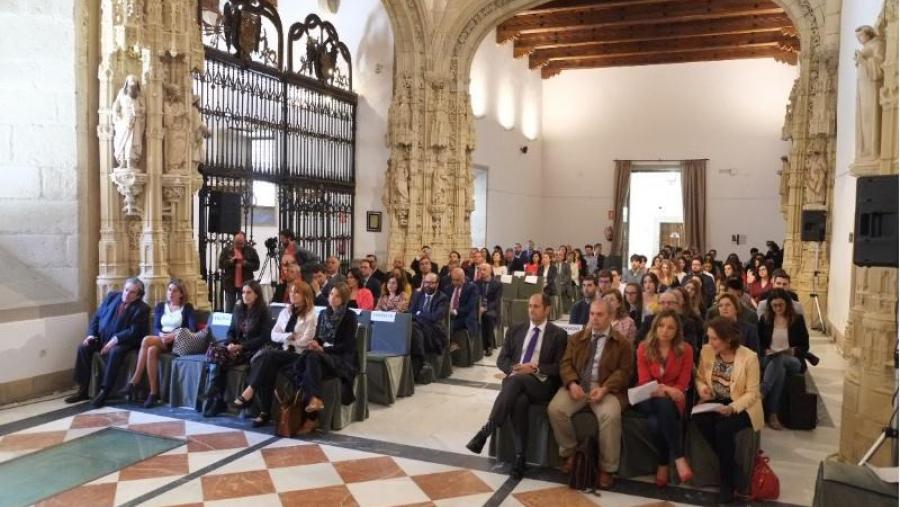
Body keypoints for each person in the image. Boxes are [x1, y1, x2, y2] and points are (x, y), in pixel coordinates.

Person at [466, 293, 567, 478]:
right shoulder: (515, 329)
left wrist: (535, 368)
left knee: (517, 381)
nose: (531, 310)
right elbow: (502, 359)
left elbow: (560, 367)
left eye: (536, 306)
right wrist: (514, 369)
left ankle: (487, 429)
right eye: (529, 306)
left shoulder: (558, 334)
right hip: (516, 381)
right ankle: (520, 458)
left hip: (542, 383)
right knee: (519, 401)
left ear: (547, 309)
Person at [548, 299, 634, 489]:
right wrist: (571, 383)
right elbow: (566, 364)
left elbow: (624, 372)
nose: (594, 318)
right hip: (579, 384)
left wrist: (605, 388)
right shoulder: (577, 338)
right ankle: (570, 452)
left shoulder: (622, 343)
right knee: (555, 409)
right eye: (592, 314)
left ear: (610, 317)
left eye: (600, 314)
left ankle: (607, 467)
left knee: (610, 416)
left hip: (605, 387)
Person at [694, 317, 764, 503]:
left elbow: (753, 393)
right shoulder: (707, 352)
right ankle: (734, 470)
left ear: (728, 339)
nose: (710, 343)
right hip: (717, 400)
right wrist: (702, 388)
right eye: (709, 338)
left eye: (715, 339)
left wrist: (732, 408)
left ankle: (727, 483)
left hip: (742, 405)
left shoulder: (749, 357)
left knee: (723, 430)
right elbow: (700, 377)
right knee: (699, 419)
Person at [235, 280, 317, 427]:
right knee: (266, 366)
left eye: (296, 292)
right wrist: (289, 336)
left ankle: (250, 391)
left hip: (300, 355)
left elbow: (306, 340)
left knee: (268, 356)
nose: (292, 295)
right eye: (291, 292)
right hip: (284, 352)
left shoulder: (311, 314)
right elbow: (274, 335)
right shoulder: (286, 311)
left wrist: (289, 338)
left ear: (305, 295)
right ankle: (265, 412)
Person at [66, 277, 151, 407]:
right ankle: (83, 389)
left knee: (115, 352)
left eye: (132, 292)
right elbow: (96, 318)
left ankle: (104, 391)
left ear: (139, 296)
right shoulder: (112, 297)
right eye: (126, 290)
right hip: (102, 337)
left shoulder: (142, 308)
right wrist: (91, 335)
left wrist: (114, 341)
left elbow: (134, 331)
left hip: (125, 342)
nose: (127, 294)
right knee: (83, 348)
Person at [633, 310, 695, 487]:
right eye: (661, 325)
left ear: (677, 331)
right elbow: (645, 382)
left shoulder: (686, 350)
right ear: (655, 327)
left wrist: (668, 390)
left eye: (670, 327)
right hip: (646, 397)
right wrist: (668, 389)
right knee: (663, 402)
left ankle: (663, 464)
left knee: (656, 422)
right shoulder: (644, 347)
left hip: (673, 400)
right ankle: (679, 457)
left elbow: (683, 383)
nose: (665, 331)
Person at [290, 282, 359, 433]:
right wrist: (316, 342)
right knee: (311, 360)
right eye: (331, 294)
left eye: (337, 296)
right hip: (322, 356)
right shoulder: (323, 314)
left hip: (340, 358)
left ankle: (312, 416)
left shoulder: (350, 316)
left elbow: (347, 345)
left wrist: (324, 349)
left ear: (344, 299)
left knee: (310, 359)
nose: (333, 298)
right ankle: (314, 405)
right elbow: (319, 337)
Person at [203, 281, 272, 417]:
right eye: (243, 292)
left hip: (251, 348)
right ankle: (216, 397)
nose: (245, 296)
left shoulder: (264, 311)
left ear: (257, 295)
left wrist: (242, 346)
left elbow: (264, 337)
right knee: (217, 354)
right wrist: (230, 343)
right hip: (236, 346)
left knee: (221, 359)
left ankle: (215, 397)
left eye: (249, 292)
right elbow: (231, 331)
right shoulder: (238, 309)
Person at [127, 279, 199, 408]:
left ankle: (135, 380)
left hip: (177, 341)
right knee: (151, 350)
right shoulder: (161, 306)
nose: (171, 293)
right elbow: (156, 327)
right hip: (161, 339)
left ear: (181, 294)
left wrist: (174, 335)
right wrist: (161, 335)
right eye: (169, 290)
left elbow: (192, 329)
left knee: (146, 340)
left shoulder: (187, 308)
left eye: (175, 290)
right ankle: (153, 393)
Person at [758, 289, 810, 429]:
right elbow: (759, 343)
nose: (778, 308)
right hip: (769, 358)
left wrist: (792, 351)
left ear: (787, 304)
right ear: (770, 306)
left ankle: (763, 390)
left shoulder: (797, 320)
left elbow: (805, 346)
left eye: (781, 305)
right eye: (774, 306)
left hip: (792, 360)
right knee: (779, 367)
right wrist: (766, 350)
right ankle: (773, 414)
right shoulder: (765, 319)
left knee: (780, 358)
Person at [409, 273, 449, 379]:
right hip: (419, 326)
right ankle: (419, 357)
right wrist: (420, 315)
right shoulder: (417, 295)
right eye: (426, 282)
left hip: (435, 329)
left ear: (437, 284)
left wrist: (419, 314)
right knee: (413, 326)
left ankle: (419, 359)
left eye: (431, 283)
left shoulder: (442, 298)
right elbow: (411, 313)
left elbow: (435, 317)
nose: (428, 285)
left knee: (414, 327)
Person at [218, 231, 260, 312]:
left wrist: (245, 263)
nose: (239, 245)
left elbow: (256, 265)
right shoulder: (227, 250)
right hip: (230, 284)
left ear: (244, 241)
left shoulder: (250, 250)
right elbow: (221, 264)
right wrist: (230, 261)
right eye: (237, 243)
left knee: (244, 309)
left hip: (245, 284)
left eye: (241, 243)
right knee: (229, 309)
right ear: (233, 241)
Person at [447, 267, 480, 348]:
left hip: (464, 317)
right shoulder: (448, 288)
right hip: (448, 315)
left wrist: (455, 311)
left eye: (457, 280)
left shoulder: (472, 288)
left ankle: (449, 345)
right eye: (453, 280)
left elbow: (469, 307)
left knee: (449, 325)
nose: (454, 282)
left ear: (463, 278)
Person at [476, 263, 503, 357]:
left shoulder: (498, 284)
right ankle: (478, 344)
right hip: (478, 308)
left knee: (488, 316)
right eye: (480, 270)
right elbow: (475, 298)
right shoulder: (476, 283)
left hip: (492, 308)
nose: (482, 272)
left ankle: (488, 345)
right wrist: (479, 307)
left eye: (484, 270)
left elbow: (496, 301)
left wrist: (485, 308)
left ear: (490, 271)